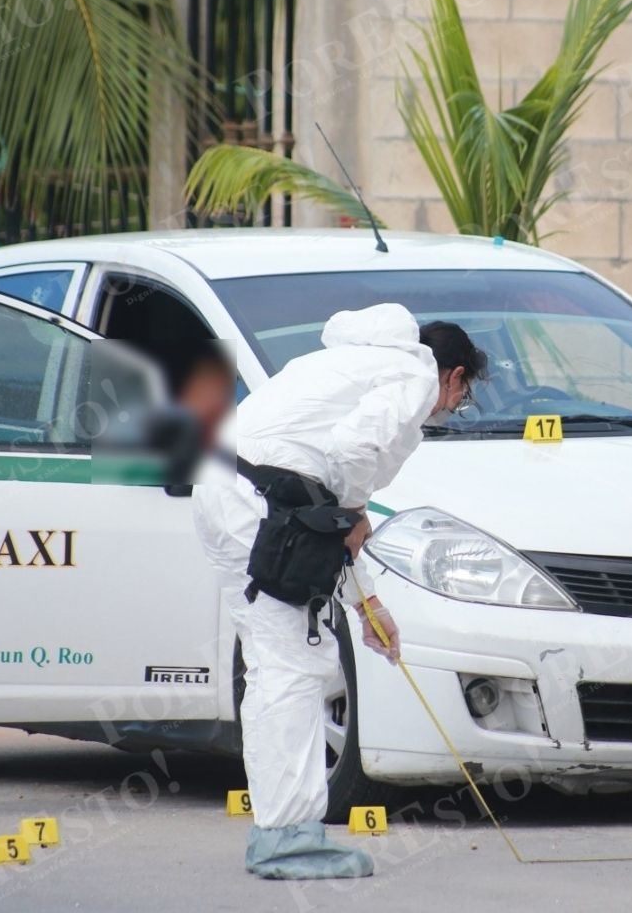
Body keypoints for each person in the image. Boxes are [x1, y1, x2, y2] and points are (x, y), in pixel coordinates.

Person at [192, 305, 486, 881]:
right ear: (453, 376)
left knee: (281, 663)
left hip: (231, 496)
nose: (450, 408)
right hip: (259, 503)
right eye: (462, 396)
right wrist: (352, 509)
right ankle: (286, 837)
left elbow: (333, 522)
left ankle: (283, 830)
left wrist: (367, 603)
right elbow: (353, 455)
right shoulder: (414, 374)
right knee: (293, 668)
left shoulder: (342, 365)